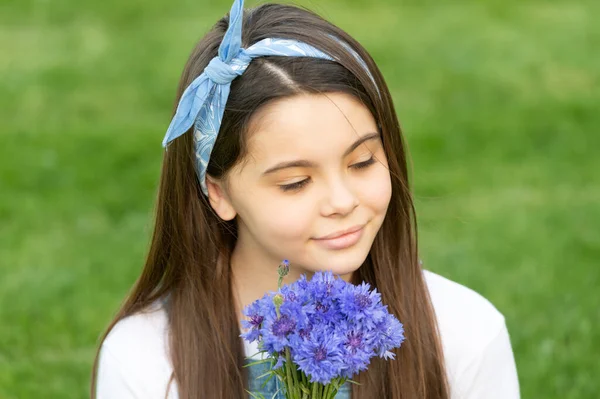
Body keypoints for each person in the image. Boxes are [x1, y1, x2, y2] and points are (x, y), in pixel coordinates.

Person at [91, 0, 520, 398]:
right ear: (218, 192)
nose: (341, 201)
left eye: (363, 162)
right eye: (296, 182)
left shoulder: (464, 333)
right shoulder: (145, 360)